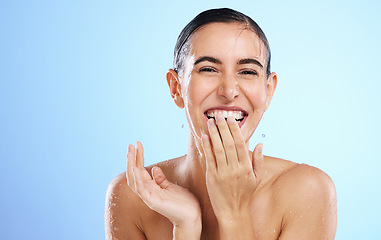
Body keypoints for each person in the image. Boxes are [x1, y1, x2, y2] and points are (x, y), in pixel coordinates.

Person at [105, 8, 337, 240]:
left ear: (268, 90)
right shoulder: (134, 196)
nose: (229, 91)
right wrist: (187, 226)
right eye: (208, 69)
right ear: (176, 88)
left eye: (247, 71)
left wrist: (233, 212)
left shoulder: (307, 192)